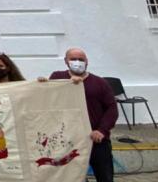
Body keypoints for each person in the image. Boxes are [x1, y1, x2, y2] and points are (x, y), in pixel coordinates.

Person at [48, 48, 118, 182]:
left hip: (96, 139)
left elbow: (111, 108)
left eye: (81, 59)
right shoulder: (57, 78)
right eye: (73, 59)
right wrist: (42, 84)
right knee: (72, 177)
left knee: (105, 176)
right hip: (68, 140)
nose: (77, 62)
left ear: (87, 62)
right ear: (66, 61)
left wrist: (102, 130)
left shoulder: (100, 83)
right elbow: (47, 97)